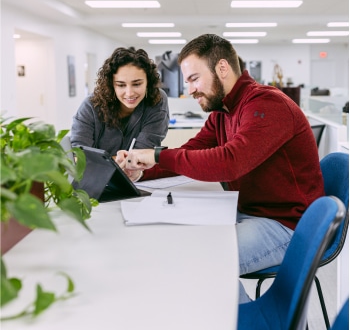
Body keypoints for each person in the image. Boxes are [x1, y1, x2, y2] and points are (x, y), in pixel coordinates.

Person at [117, 34, 325, 301]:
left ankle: (251, 323)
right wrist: (141, 168)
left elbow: (230, 162)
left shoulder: (267, 104)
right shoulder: (223, 111)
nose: (189, 90)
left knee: (204, 258)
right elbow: (192, 151)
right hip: (249, 213)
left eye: (194, 79)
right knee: (179, 241)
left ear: (222, 68)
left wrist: (156, 155)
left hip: (288, 227)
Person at [71, 47, 170, 180]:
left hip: (135, 180)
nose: (129, 93)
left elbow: (140, 157)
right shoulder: (91, 105)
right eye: (121, 85)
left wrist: (121, 161)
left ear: (148, 82)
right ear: (111, 85)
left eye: (137, 84)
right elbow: (78, 156)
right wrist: (121, 162)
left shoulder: (157, 100)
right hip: (93, 180)